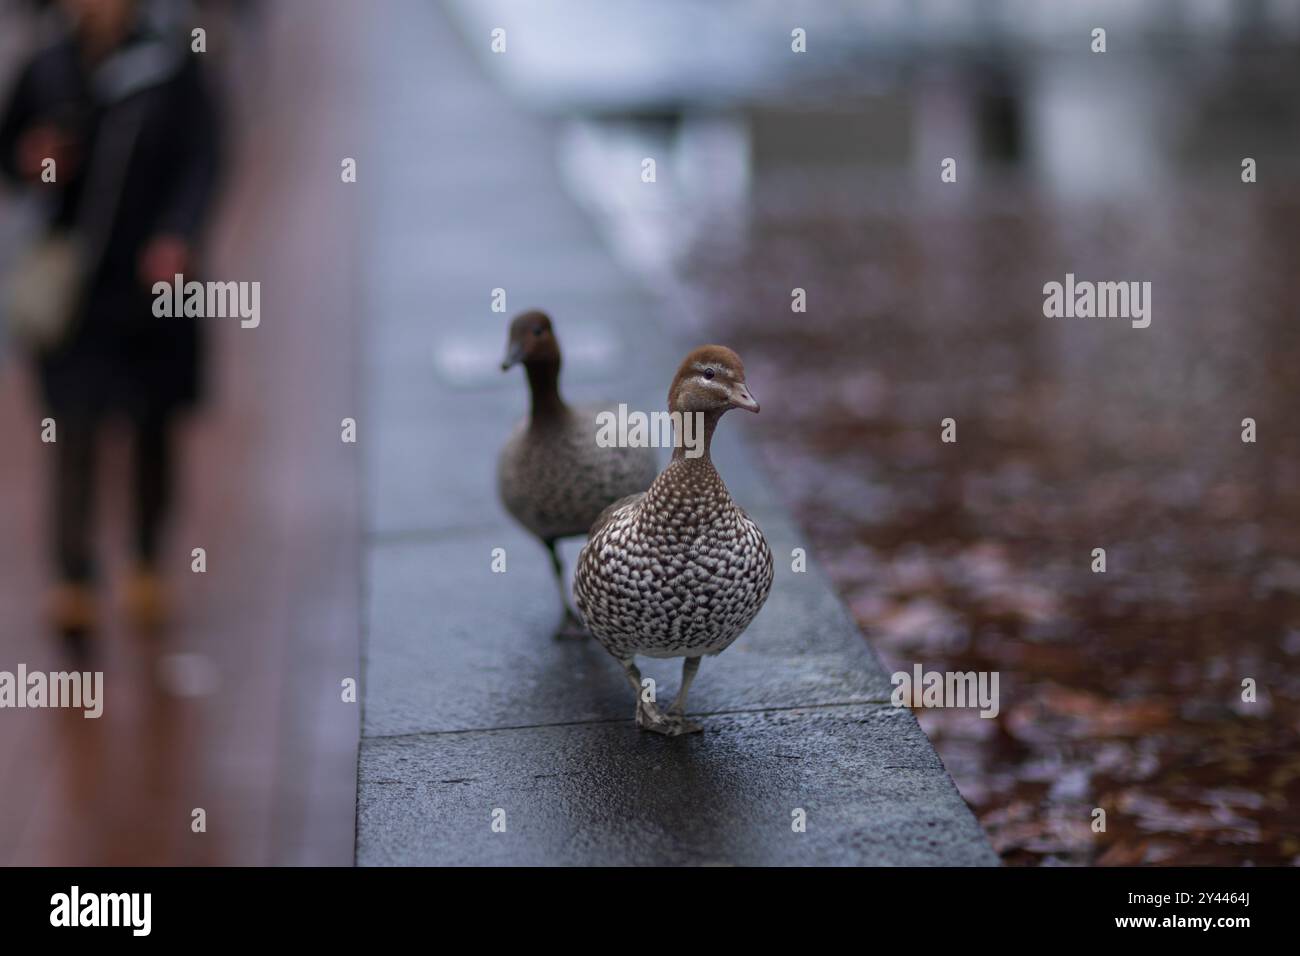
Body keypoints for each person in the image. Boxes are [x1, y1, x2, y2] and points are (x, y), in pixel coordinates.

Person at [0, 0, 221, 646]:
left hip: (153, 280)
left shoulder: (173, 62)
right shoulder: (45, 67)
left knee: (152, 423)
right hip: (77, 281)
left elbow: (204, 157)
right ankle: (73, 579)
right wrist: (36, 159)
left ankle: (148, 559)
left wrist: (178, 235)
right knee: (71, 428)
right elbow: (13, 157)